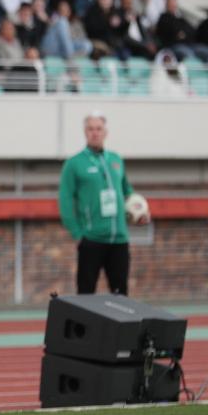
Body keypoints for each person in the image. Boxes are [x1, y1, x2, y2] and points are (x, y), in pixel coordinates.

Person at [58, 112, 147, 296]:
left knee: (120, 295)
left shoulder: (115, 159)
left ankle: (119, 326)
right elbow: (65, 201)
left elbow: (127, 191)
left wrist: (140, 211)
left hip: (119, 240)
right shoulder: (74, 164)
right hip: (91, 240)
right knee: (85, 295)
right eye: (91, 129)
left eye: (99, 129)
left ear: (105, 132)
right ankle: (84, 327)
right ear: (85, 132)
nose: (95, 133)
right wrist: (78, 233)